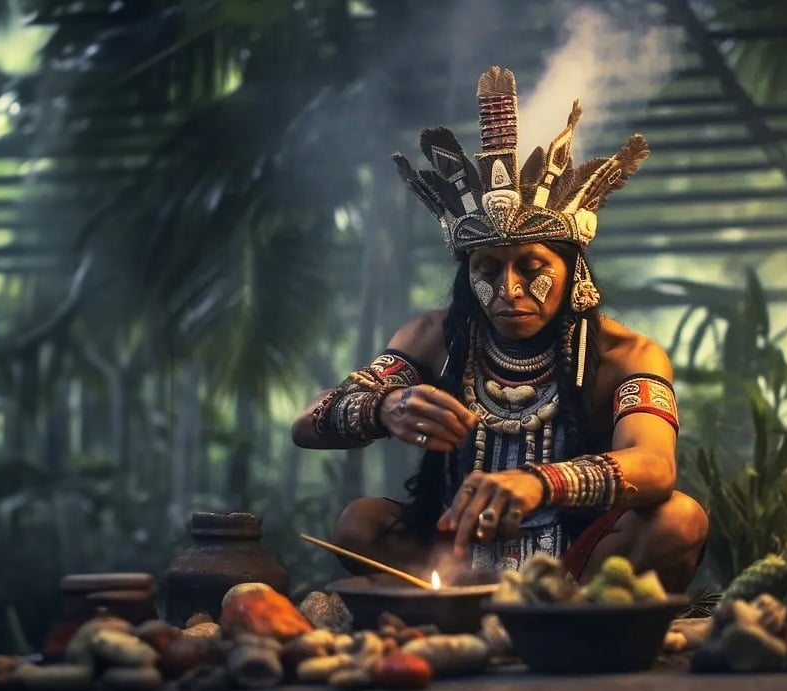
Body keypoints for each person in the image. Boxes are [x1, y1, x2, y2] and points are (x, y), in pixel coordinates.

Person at [292, 67, 708, 592]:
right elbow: (305, 425)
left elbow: (653, 466)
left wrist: (541, 483)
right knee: (360, 523)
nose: (509, 289)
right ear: (467, 275)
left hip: (579, 562)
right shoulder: (431, 338)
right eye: (487, 270)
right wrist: (382, 407)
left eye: (531, 270)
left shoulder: (629, 354)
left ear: (572, 269)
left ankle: (559, 610)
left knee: (680, 520)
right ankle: (469, 602)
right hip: (454, 551)